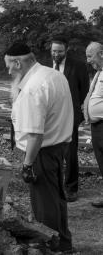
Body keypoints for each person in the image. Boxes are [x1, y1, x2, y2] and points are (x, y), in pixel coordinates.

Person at [5, 42, 73, 252]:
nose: (8, 71)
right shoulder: (53, 75)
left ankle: (50, 244)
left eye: (9, 65)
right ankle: (63, 241)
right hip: (59, 145)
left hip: (41, 151)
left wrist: (27, 164)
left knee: (44, 202)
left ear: (18, 62)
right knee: (56, 197)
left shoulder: (32, 88)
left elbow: (35, 134)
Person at [49, 37, 89, 202]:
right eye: (53, 51)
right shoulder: (47, 66)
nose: (56, 54)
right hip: (52, 115)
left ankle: (71, 188)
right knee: (51, 150)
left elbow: (85, 91)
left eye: (59, 51)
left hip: (71, 115)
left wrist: (80, 115)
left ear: (66, 50)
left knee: (70, 152)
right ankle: (54, 185)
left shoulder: (78, 65)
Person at [84, 41, 103, 208]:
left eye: (90, 56)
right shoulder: (98, 74)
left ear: (101, 54)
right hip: (97, 127)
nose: (88, 60)